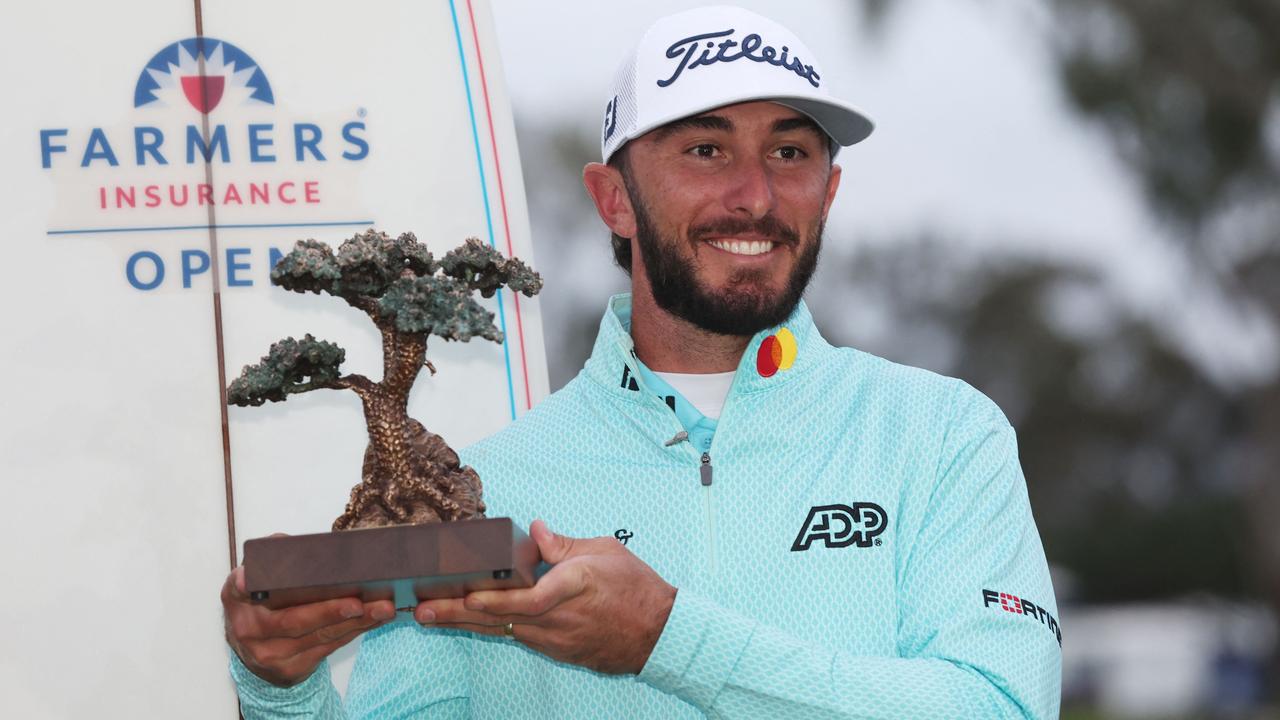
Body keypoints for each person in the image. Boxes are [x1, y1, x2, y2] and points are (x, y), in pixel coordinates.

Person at [223, 6, 1063, 718]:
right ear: (614, 200)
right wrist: (281, 690)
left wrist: (669, 638)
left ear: (830, 192)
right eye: (706, 150)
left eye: (791, 152)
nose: (756, 194)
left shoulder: (942, 435)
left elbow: (1002, 704)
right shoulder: (486, 492)